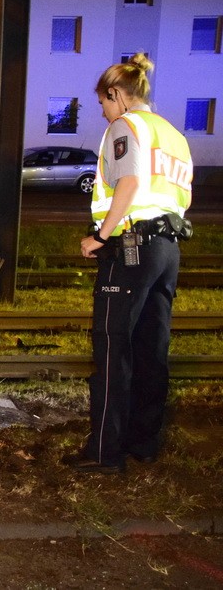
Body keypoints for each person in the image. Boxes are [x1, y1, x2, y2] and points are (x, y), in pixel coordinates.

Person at [64, 53, 194, 474]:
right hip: (168, 249)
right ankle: (144, 442)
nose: (103, 113)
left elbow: (131, 181)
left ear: (117, 94)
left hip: (131, 246)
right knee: (151, 348)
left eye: (103, 103)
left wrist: (102, 236)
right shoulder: (173, 135)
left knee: (112, 346)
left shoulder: (126, 126)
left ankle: (105, 452)